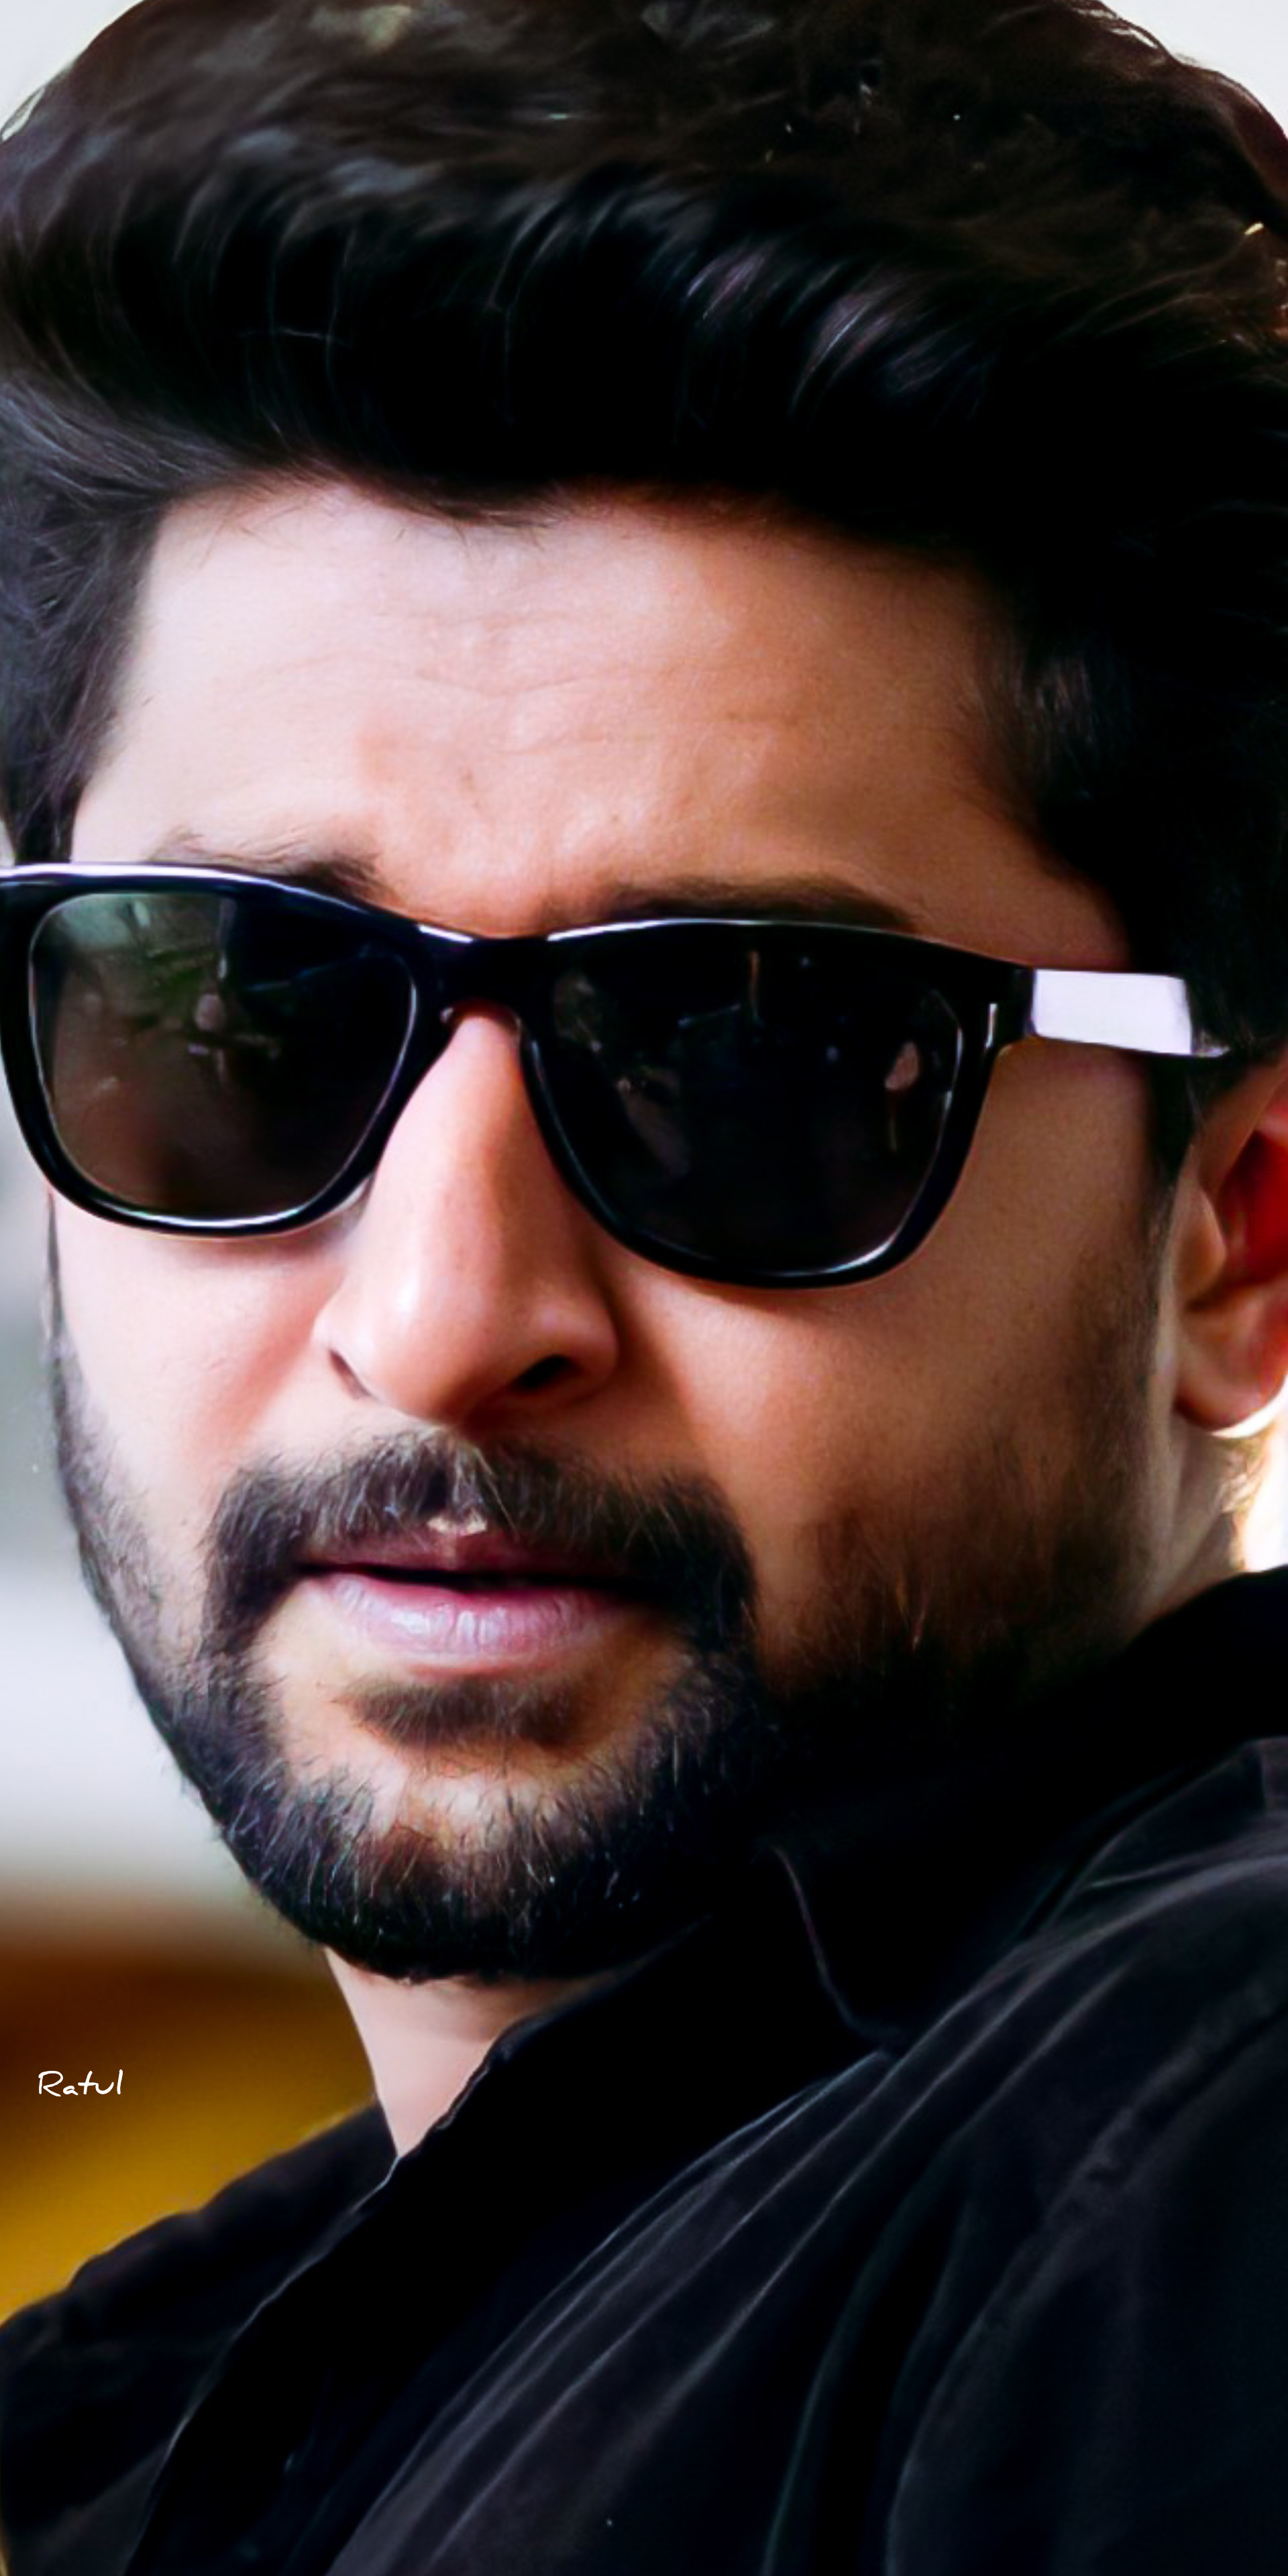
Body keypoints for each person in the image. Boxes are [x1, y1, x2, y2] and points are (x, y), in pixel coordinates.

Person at [1, 0, 1288, 2564]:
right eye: (244, 1014)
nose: (442, 1311)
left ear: (1236, 1240)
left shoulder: (1209, 2152)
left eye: (750, 1058)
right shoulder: (201, 2407)